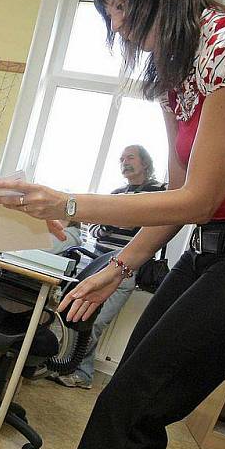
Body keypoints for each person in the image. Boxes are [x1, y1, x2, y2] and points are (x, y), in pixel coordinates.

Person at [0, 0, 225, 449]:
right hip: (215, 248)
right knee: (125, 401)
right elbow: (181, 191)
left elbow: (199, 198)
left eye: (126, 16)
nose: (121, 33)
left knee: (137, 405)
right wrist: (118, 267)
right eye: (113, 21)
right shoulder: (177, 70)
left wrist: (69, 204)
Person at [52, 144, 165, 389]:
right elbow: (93, 227)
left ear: (145, 163)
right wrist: (113, 221)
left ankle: (81, 373)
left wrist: (118, 219)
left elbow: (149, 225)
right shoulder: (116, 193)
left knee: (95, 322)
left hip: (124, 268)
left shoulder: (158, 191)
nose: (124, 162)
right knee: (79, 318)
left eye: (131, 157)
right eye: (122, 158)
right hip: (98, 262)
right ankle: (76, 369)